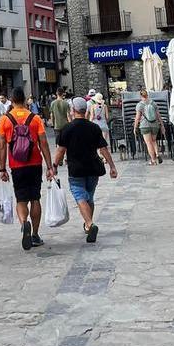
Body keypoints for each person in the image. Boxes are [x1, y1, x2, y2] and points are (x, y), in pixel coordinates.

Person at [54, 97, 118, 243]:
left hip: (76, 169)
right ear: (85, 110)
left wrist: (54, 166)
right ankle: (88, 225)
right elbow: (103, 149)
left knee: (80, 196)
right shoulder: (94, 127)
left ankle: (89, 223)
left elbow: (60, 150)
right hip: (93, 168)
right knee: (89, 196)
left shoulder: (67, 128)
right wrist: (112, 166)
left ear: (73, 110)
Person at [0, 87, 55, 250]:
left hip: (17, 165)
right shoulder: (35, 118)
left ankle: (24, 224)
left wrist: (2, 169)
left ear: (11, 100)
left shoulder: (5, 120)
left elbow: (1, 146)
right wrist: (49, 166)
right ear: (24, 100)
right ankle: (35, 235)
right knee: (35, 198)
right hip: (35, 163)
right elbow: (43, 143)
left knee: (21, 199)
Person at [134, 90, 162, 165]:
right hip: (155, 125)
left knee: (148, 143)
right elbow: (158, 115)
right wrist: (162, 125)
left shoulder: (140, 105)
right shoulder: (153, 103)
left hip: (145, 125)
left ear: (140, 96)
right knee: (154, 141)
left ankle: (153, 160)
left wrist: (135, 127)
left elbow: (137, 118)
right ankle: (157, 154)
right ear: (147, 95)